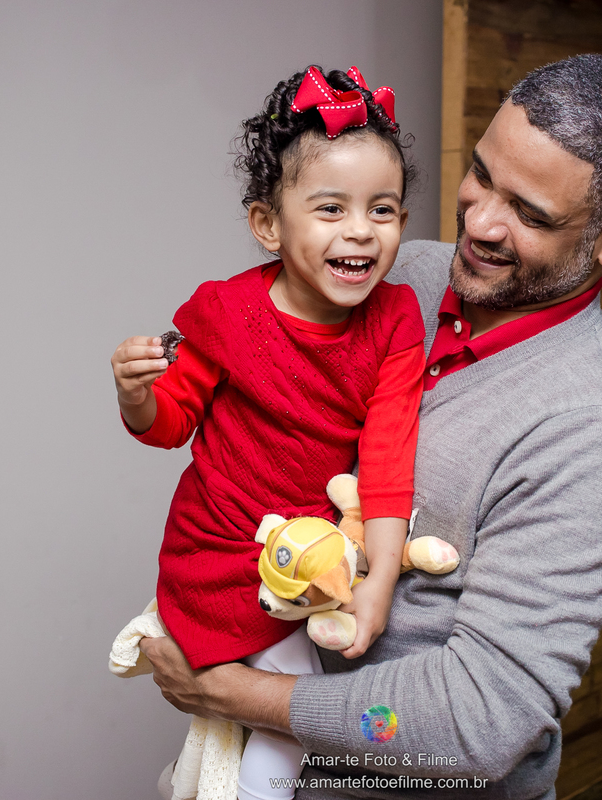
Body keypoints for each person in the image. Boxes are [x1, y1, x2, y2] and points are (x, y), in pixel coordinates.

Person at [140, 54, 602, 799]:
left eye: (530, 215)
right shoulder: (401, 276)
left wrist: (235, 693)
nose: (480, 223)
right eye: (481, 175)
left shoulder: (598, 438)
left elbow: (478, 725)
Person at [111, 65, 426, 800]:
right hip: (216, 547)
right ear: (268, 225)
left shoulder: (397, 319)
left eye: (382, 209)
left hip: (304, 559)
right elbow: (170, 426)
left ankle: (210, 781)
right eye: (331, 208)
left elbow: (388, 461)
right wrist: (136, 397)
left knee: (284, 724)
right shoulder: (224, 312)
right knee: (280, 718)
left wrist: (379, 583)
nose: (360, 229)